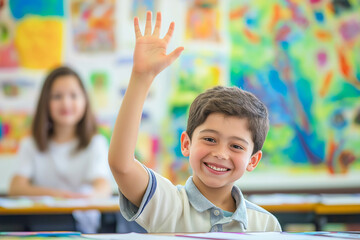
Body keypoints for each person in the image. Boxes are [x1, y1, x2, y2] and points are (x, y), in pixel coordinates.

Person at [108, 11, 281, 232]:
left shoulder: (265, 224)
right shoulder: (167, 203)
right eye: (209, 139)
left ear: (253, 160)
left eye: (236, 146)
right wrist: (141, 77)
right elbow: (121, 165)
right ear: (186, 143)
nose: (220, 153)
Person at [9, 66, 112, 232]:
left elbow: (103, 187)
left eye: (73, 95)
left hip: (83, 227)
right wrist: (59, 195)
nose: (65, 103)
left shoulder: (96, 143)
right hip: (41, 225)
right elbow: (16, 188)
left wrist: (84, 198)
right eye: (57, 96)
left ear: (85, 100)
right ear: (45, 102)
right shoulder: (31, 144)